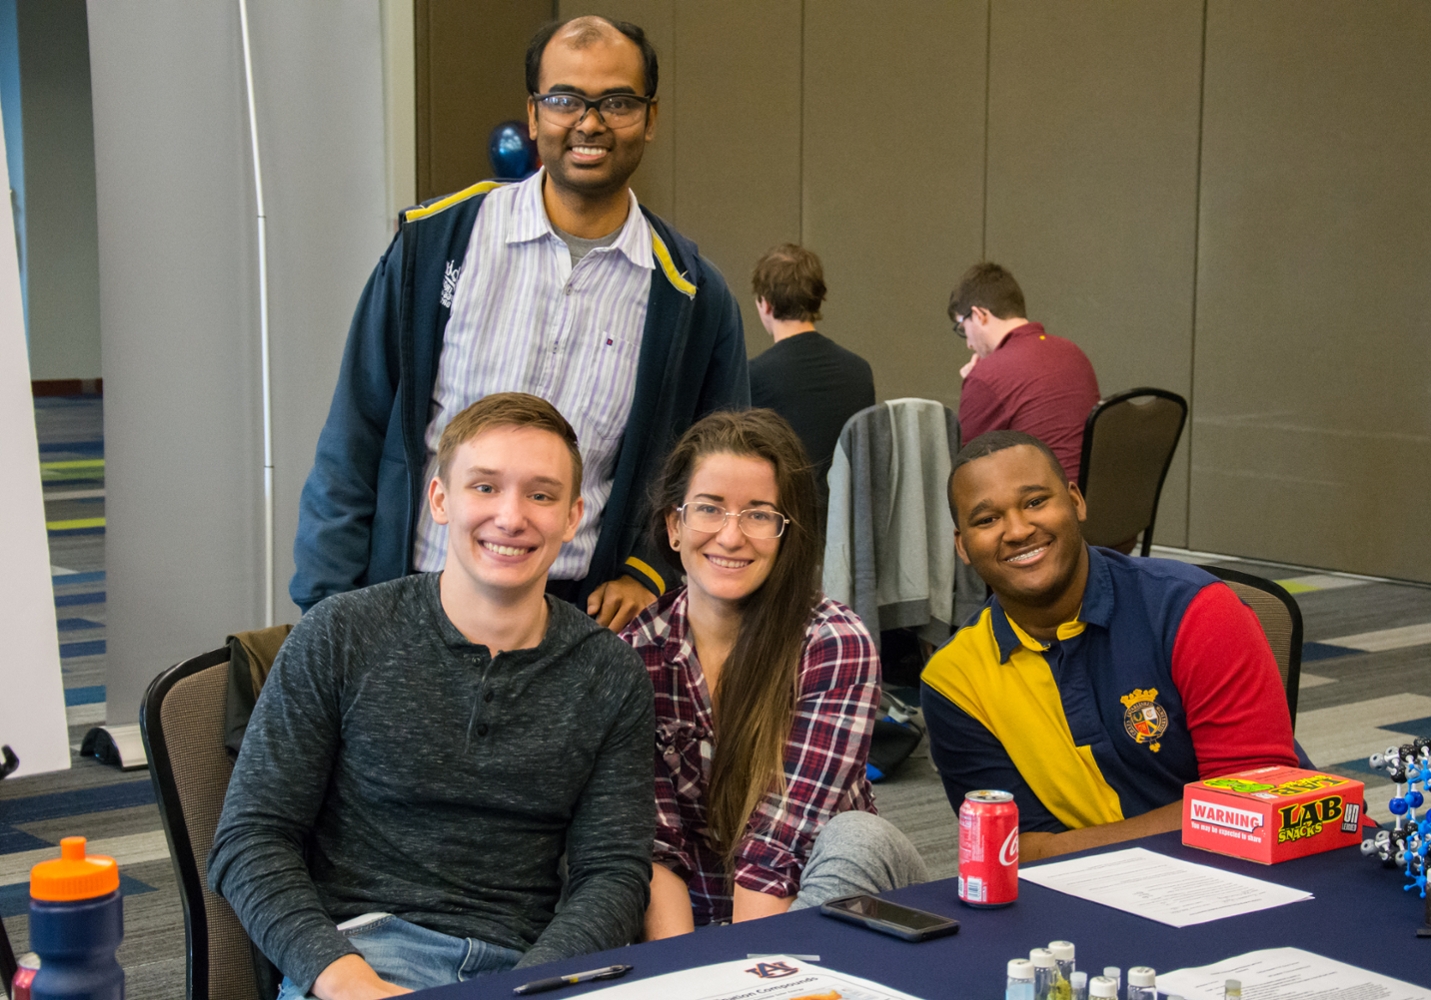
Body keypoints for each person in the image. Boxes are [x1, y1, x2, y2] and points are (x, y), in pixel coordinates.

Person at [290, 15, 749, 631]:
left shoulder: (692, 296)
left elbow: (718, 471)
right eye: (565, 100)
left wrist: (649, 569)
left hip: (574, 622)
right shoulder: (436, 245)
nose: (589, 123)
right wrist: (325, 611)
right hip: (410, 603)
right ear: (534, 116)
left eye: (616, 101)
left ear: (651, 117)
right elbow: (355, 432)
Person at [209, 394, 655, 999]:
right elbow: (250, 839)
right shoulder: (342, 633)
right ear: (440, 500)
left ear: (573, 517)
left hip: (533, 966)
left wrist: (532, 987)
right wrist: (348, 984)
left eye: (541, 495)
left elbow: (613, 874)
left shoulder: (611, 673)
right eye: (485, 488)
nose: (511, 516)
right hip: (368, 957)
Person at [921, 430, 1298, 863]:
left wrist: (1060, 848)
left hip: (1269, 875)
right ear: (962, 546)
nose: (1018, 530)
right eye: (987, 520)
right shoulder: (954, 680)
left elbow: (1254, 805)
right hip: (1093, 900)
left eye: (1036, 502)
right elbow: (1012, 852)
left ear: (1075, 502)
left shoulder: (1193, 610)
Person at [621, 410, 926, 935]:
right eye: (709, 509)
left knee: (859, 837)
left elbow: (776, 848)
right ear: (674, 526)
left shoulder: (833, 642)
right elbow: (656, 849)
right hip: (692, 926)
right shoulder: (633, 656)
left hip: (819, 900)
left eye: (759, 515)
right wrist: (684, 976)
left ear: (787, 532)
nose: (732, 536)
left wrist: (747, 976)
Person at [746, 244, 875, 521]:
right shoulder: (860, 371)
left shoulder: (753, 376)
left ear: (765, 303)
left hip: (784, 528)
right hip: (847, 529)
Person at [949, 263, 1099, 482]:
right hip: (1085, 505)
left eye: (963, 328)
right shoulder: (1074, 353)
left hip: (1037, 507)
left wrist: (976, 381)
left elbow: (966, 473)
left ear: (979, 315)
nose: (969, 345)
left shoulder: (987, 375)